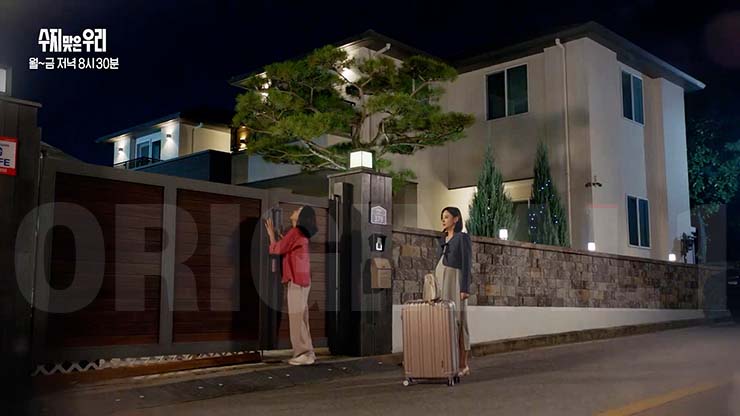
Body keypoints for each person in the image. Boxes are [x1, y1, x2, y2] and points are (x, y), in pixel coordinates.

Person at [264, 205, 318, 365]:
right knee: (302, 318)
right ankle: (308, 353)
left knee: (297, 318)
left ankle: (303, 354)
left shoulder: (295, 233)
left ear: (301, 216)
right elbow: (288, 247)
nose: (294, 211)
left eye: (298, 210)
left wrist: (271, 236)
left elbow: (278, 249)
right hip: (303, 280)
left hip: (297, 280)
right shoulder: (299, 233)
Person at [436, 206, 472, 376]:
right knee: (444, 322)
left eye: (447, 216)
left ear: (456, 219)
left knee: (459, 320)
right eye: (442, 217)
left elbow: (467, 264)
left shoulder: (462, 238)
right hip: (441, 281)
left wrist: (464, 288)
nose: (443, 220)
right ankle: (446, 362)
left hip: (455, 281)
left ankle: (463, 364)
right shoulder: (442, 238)